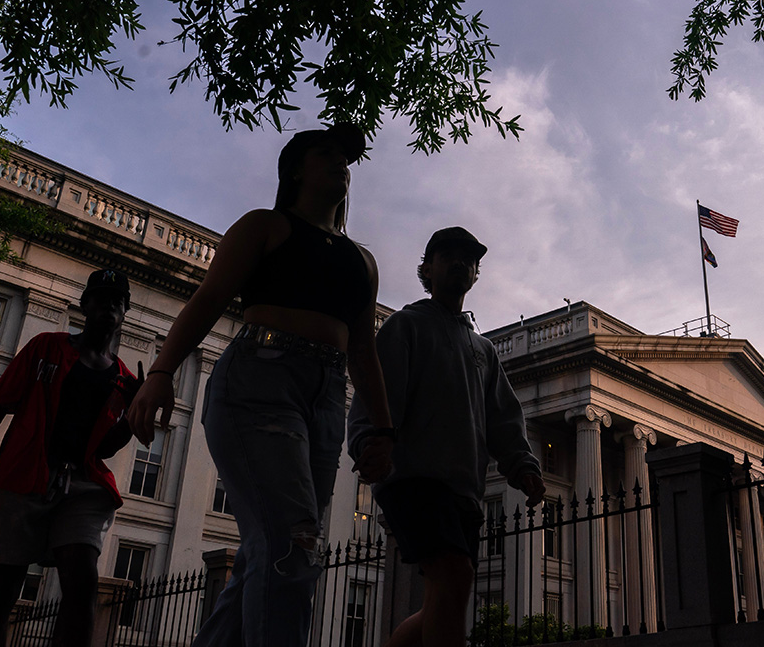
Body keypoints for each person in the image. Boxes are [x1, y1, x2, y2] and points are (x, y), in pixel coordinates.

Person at [127, 123, 397, 647]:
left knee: (270, 552)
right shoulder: (263, 227)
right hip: (259, 379)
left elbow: (364, 350)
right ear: (295, 167)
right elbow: (206, 300)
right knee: (293, 542)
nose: (341, 164)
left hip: (325, 395)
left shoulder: (362, 260)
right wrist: (160, 373)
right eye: (326, 154)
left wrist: (382, 430)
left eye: (345, 159)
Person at [349, 226, 546, 647]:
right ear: (428, 269)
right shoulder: (406, 326)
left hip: (463, 490)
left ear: (476, 275)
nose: (460, 263)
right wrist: (371, 441)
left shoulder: (483, 350)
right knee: (455, 576)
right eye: (448, 256)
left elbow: (503, 419)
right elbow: (376, 390)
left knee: (445, 596)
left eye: (469, 260)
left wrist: (522, 465)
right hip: (414, 479)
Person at [0, 269, 140, 647]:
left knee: (82, 582)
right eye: (101, 297)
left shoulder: (122, 377)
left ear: (125, 311)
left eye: (118, 300)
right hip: (23, 477)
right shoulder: (45, 347)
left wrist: (133, 412)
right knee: (1, 589)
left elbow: (105, 448)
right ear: (85, 304)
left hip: (83, 486)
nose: (110, 304)